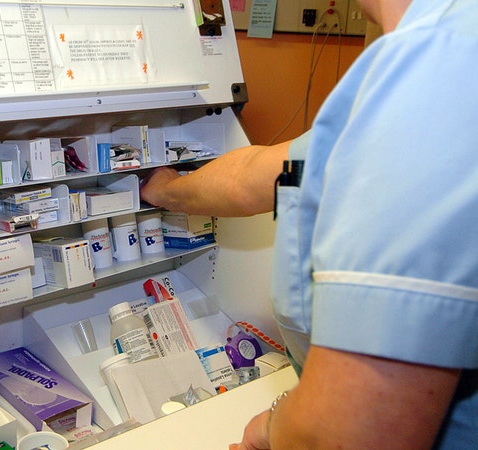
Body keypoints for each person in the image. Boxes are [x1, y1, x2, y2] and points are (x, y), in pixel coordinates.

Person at [140, 0, 478, 448]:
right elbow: (258, 175)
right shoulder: (438, 58)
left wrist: (272, 427)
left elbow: (351, 431)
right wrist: (164, 190)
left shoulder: (435, 70)